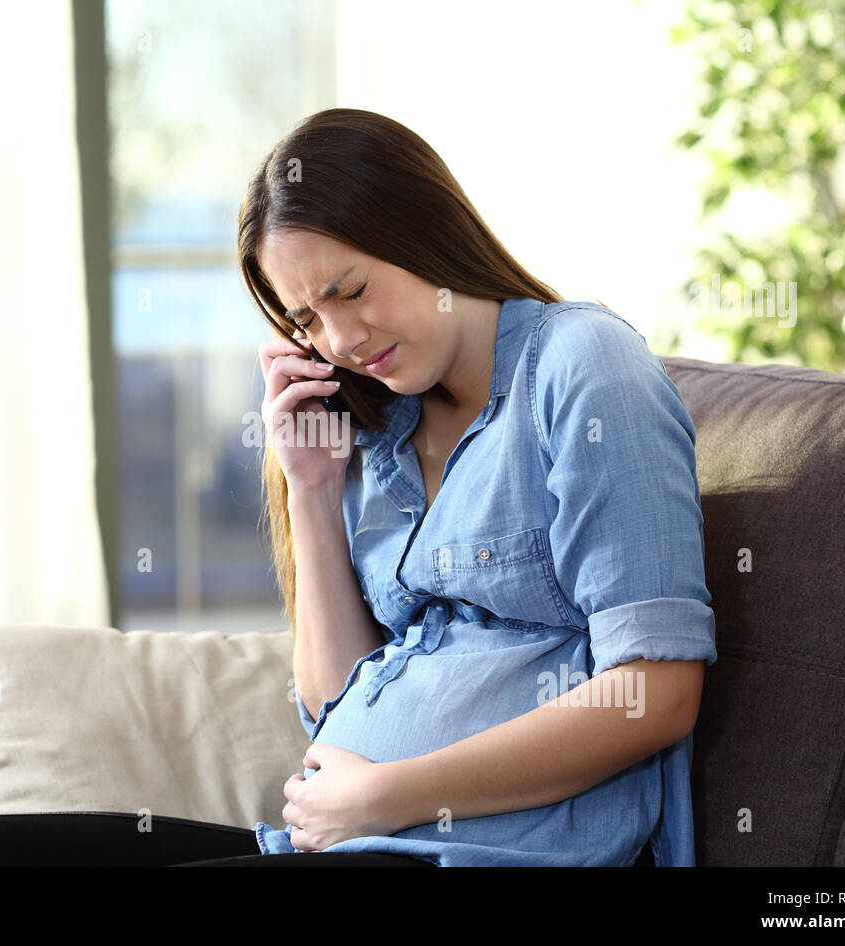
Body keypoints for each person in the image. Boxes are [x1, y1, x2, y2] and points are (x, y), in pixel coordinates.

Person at [238, 107, 716, 866]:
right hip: (344, 841)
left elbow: (656, 693)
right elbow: (335, 705)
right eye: (309, 320)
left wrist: (386, 796)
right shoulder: (381, 428)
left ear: (424, 229)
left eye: (351, 289)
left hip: (467, 852)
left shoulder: (584, 364)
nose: (343, 341)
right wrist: (311, 492)